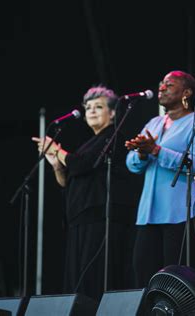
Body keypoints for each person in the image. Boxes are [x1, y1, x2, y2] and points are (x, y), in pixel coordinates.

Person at [32, 85, 138, 300]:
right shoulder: (89, 143)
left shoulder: (114, 137)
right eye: (88, 107)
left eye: (98, 107)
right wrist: (56, 164)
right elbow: (66, 182)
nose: (91, 111)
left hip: (100, 217)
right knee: (78, 280)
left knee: (94, 278)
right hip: (79, 218)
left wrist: (57, 150)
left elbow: (81, 165)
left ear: (113, 112)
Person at [126, 70, 195, 288]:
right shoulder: (153, 123)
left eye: (169, 85)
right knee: (143, 272)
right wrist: (142, 153)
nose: (161, 88)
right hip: (149, 213)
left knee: (175, 278)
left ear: (186, 92)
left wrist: (156, 150)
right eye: (161, 83)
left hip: (180, 212)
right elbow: (131, 163)